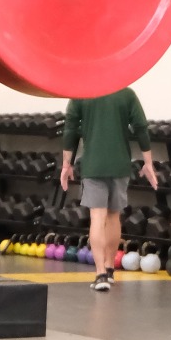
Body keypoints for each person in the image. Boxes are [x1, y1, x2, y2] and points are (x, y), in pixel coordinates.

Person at [60, 87, 157, 292]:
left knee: (97, 217)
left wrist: (66, 164)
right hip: (120, 165)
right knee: (114, 217)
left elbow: (70, 129)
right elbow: (141, 126)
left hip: (94, 166)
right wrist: (148, 163)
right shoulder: (127, 93)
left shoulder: (81, 92)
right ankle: (110, 269)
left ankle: (100, 274)